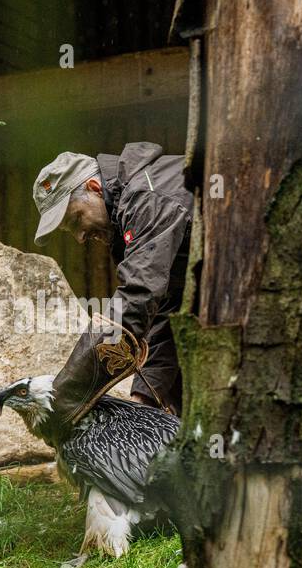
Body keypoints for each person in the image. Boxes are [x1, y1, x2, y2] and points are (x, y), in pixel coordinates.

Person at [31, 142, 192, 431]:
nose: (80, 237)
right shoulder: (124, 215)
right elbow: (163, 310)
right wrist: (143, 397)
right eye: (71, 231)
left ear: (94, 187)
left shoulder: (146, 196)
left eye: (76, 219)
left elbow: (137, 296)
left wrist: (63, 399)